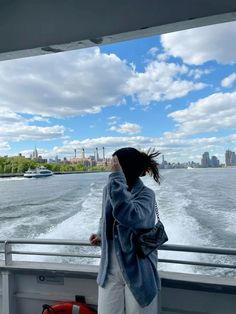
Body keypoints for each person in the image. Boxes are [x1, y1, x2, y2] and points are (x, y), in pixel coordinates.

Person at [89, 147, 161, 314]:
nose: (110, 166)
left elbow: (130, 216)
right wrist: (100, 235)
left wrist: (115, 178)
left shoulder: (146, 195)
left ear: (124, 168)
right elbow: (105, 217)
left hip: (138, 267)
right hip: (109, 266)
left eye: (115, 163)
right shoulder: (109, 189)